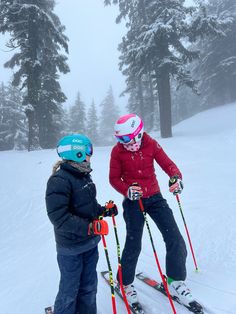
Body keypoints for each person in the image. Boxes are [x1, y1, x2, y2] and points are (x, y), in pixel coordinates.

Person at [109, 113, 195, 308]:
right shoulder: (117, 152)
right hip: (133, 201)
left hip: (155, 198)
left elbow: (168, 165)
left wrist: (176, 178)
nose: (123, 143)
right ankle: (125, 283)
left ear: (138, 134)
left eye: (126, 138)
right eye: (119, 139)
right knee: (133, 244)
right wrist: (127, 190)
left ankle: (175, 280)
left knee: (174, 238)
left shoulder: (150, 144)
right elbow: (113, 178)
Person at [45, 134, 118, 314]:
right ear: (76, 153)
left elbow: (88, 207)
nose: (90, 155)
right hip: (70, 248)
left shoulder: (83, 175)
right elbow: (59, 217)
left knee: (89, 286)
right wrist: (91, 227)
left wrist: (103, 211)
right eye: (88, 151)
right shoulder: (59, 180)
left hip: (89, 243)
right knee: (70, 290)